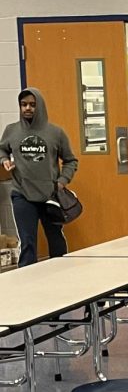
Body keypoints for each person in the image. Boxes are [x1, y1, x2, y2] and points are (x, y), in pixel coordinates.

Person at [0, 87, 78, 267]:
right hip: (22, 193)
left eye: (32, 105)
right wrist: (5, 160)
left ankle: (62, 275)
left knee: (55, 238)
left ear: (40, 107)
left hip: (50, 195)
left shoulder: (56, 133)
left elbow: (70, 160)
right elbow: (2, 148)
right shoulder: (11, 130)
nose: (27, 108)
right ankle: (27, 284)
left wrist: (62, 182)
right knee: (27, 241)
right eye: (24, 104)